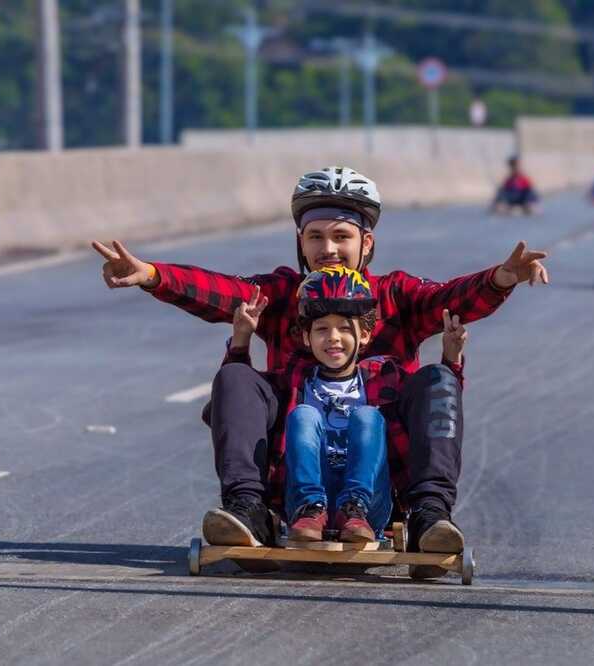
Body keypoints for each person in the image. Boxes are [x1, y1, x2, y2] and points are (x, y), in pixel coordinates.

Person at [92, 166, 549, 576]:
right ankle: (248, 509)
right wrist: (153, 275)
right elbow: (222, 292)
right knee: (236, 379)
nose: (328, 249)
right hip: (294, 468)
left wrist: (501, 278)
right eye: (315, 237)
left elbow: (451, 299)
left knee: (438, 381)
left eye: (341, 236)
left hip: (379, 474)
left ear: (366, 244)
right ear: (300, 243)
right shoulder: (283, 295)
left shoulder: (395, 296)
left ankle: (431, 516)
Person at [226, 266, 470, 547]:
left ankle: (412, 515)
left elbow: (434, 408)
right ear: (306, 337)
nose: (333, 337)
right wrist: (240, 342)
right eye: (321, 329)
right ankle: (305, 509)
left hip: (369, 505)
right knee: (303, 415)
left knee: (367, 416)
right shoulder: (293, 381)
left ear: (365, 335)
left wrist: (451, 360)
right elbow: (241, 401)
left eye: (344, 328)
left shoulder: (385, 377)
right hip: (302, 504)